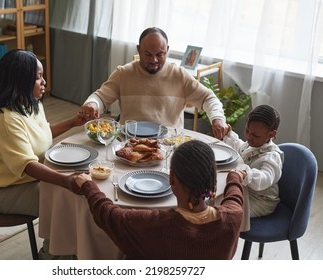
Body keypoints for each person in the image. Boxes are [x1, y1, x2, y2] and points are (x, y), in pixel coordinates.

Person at [0, 49, 86, 258]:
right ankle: (52, 254)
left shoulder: (30, 105)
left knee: (69, 192)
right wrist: (65, 180)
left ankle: (62, 249)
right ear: (21, 81)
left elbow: (40, 135)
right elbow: (28, 165)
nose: (43, 82)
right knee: (65, 198)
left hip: (22, 180)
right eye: (38, 77)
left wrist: (73, 122)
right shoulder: (5, 120)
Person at [73, 140, 244, 259]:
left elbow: (108, 214)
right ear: (212, 181)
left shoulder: (154, 224)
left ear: (172, 179)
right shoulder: (233, 217)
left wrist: (88, 185)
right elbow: (235, 198)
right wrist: (234, 177)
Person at [79, 27, 229, 139]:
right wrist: (92, 104)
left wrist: (217, 118)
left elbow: (208, 98)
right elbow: (100, 97)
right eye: (148, 54)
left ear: (167, 51)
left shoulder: (179, 75)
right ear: (138, 50)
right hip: (129, 143)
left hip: (169, 145)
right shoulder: (123, 73)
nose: (154, 60)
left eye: (160, 54)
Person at [223, 104, 283, 217]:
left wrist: (246, 174)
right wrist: (229, 135)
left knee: (229, 213)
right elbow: (241, 150)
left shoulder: (272, 157)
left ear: (271, 134)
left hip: (260, 201)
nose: (249, 137)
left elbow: (264, 179)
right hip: (245, 191)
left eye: (255, 135)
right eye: (247, 131)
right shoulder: (253, 144)